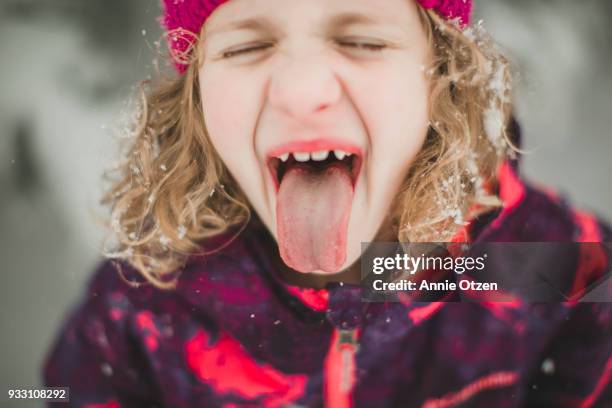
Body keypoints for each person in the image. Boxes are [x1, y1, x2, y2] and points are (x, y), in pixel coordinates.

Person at [43, 0, 611, 406]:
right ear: (196, 101)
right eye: (247, 45)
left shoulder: (544, 260)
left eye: (362, 40)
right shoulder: (138, 307)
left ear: (442, 77)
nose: (301, 92)